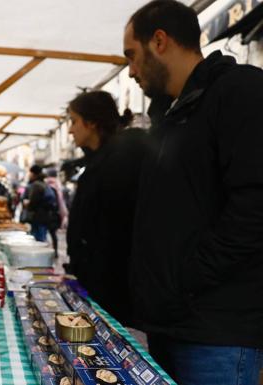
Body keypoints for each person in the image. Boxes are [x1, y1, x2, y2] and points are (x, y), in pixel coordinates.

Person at [124, 1, 263, 383]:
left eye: (132, 56)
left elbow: (254, 211)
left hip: (217, 333)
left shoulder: (241, 91)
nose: (132, 71)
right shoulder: (168, 115)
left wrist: (185, 279)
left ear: (160, 41)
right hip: (171, 324)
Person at [64, 91, 149, 327]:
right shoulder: (99, 159)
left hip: (113, 290)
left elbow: (114, 228)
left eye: (73, 121)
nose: (70, 130)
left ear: (91, 123)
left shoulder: (120, 159)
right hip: (98, 286)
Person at [22, 165, 57, 242]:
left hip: (37, 217)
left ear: (33, 174)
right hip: (44, 216)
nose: (29, 175)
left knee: (38, 241)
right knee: (41, 238)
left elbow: (33, 203)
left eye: (30, 173)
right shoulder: (43, 183)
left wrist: (27, 203)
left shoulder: (36, 185)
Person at [44, 167, 68, 256]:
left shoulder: (48, 185)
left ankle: (48, 252)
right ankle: (55, 251)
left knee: (47, 233)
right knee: (53, 233)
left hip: (49, 213)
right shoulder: (59, 185)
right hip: (57, 213)